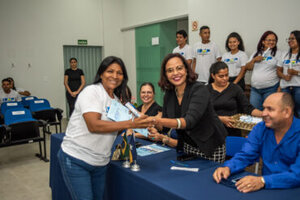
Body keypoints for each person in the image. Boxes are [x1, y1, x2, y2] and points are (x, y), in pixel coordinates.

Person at [57, 56, 154, 200]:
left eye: (119, 73)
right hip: (77, 158)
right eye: (110, 71)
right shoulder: (92, 91)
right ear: (101, 73)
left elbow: (116, 129)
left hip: (100, 162)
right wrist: (131, 123)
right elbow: (94, 125)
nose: (115, 76)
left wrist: (143, 127)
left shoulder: (115, 100)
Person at [213, 92, 300, 193]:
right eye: (264, 108)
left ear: (287, 112)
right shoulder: (260, 128)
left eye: (270, 109)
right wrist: (228, 167)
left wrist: (263, 180)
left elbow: (297, 174)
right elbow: (246, 155)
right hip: (266, 191)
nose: (263, 113)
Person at [149, 53, 227, 162]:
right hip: (187, 145)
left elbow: (188, 121)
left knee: (208, 178)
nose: (175, 73)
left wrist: (154, 120)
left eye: (179, 68)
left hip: (210, 145)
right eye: (170, 70)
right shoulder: (169, 94)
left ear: (186, 69)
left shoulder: (199, 89)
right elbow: (165, 127)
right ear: (165, 75)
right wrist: (151, 124)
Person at [208, 62, 262, 136]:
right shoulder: (206, 90)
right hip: (213, 130)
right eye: (221, 76)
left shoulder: (235, 88)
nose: (225, 78)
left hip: (232, 129)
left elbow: (247, 108)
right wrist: (220, 119)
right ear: (213, 76)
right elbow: (203, 112)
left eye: (226, 75)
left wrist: (263, 114)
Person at [246, 31, 282, 110]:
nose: (272, 42)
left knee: (269, 112)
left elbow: (281, 71)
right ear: (263, 41)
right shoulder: (256, 53)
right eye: (269, 40)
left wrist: (280, 87)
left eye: (274, 40)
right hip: (255, 90)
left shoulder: (279, 54)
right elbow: (247, 67)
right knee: (255, 113)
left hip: (271, 88)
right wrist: (254, 60)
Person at [277, 30, 300, 118]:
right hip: (285, 88)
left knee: (298, 111)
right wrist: (284, 76)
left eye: (292, 39)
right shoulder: (284, 54)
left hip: (298, 88)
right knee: (287, 112)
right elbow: (278, 70)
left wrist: (296, 72)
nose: (290, 41)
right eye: (289, 39)